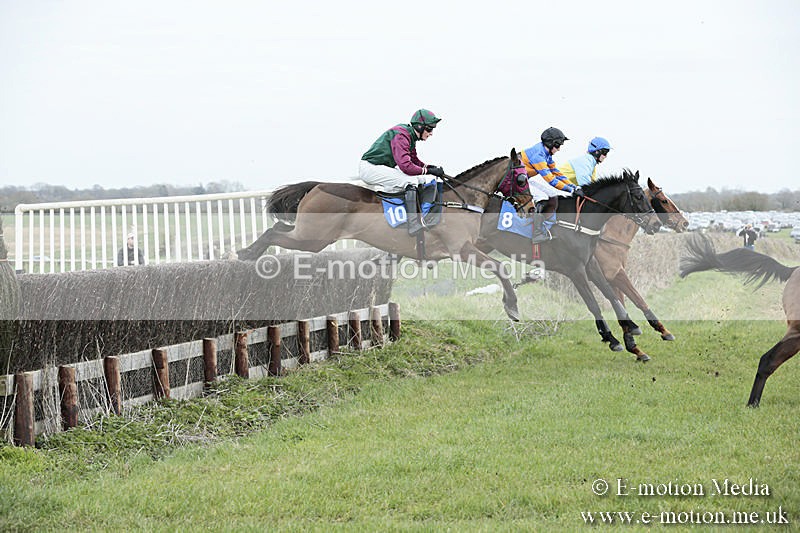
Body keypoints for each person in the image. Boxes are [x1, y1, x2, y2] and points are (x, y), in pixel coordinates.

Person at [359, 109, 445, 234]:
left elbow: (414, 160)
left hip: (381, 167)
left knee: (421, 179)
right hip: (370, 168)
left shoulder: (409, 136)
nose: (431, 133)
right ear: (420, 127)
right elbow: (406, 166)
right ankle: (413, 224)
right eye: (430, 129)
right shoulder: (402, 136)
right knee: (411, 181)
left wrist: (430, 168)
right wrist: (427, 170)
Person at [521, 127, 583, 243]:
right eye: (558, 145)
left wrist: (574, 186)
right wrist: (570, 191)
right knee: (542, 197)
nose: (559, 149)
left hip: (525, 179)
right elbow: (550, 179)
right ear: (551, 143)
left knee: (552, 194)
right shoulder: (538, 155)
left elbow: (556, 172)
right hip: (517, 181)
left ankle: (546, 225)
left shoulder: (546, 154)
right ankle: (536, 234)